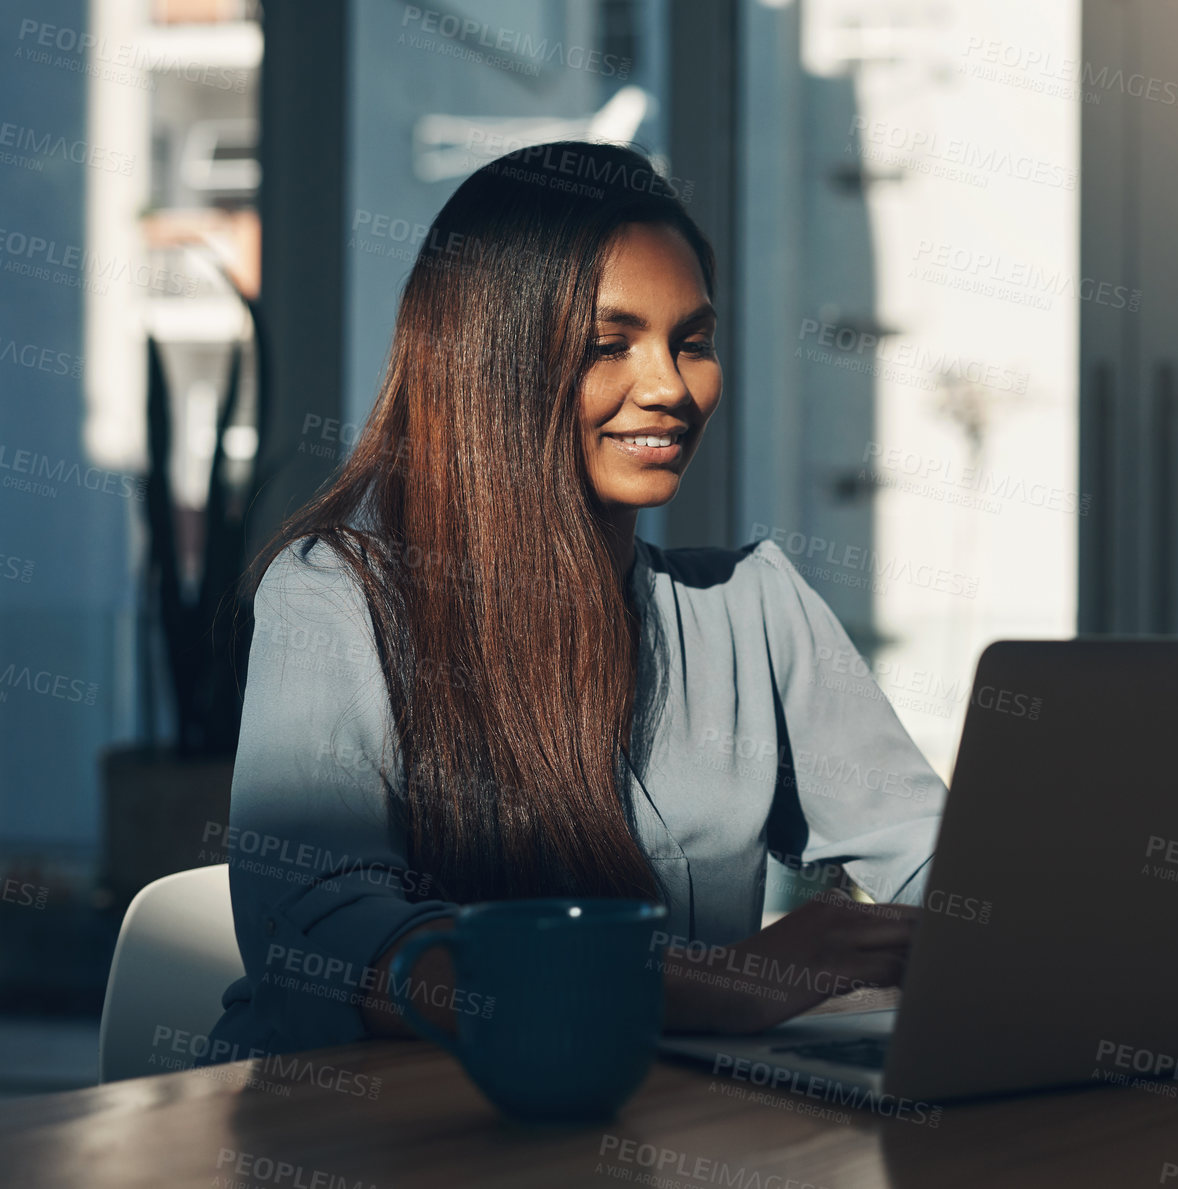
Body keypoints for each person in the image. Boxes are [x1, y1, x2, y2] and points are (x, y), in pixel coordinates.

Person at [202, 142, 946, 1060]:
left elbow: (934, 858)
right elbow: (329, 940)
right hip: (375, 1134)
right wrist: (726, 984)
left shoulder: (750, 607)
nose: (669, 385)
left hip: (659, 1123)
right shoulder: (336, 598)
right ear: (491, 361)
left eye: (693, 341)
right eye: (609, 345)